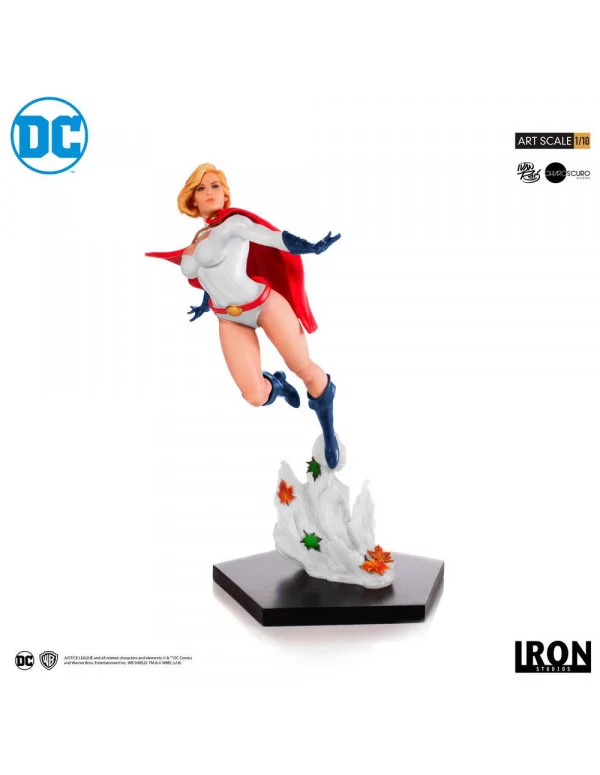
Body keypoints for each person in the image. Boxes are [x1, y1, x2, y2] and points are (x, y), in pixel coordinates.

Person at [146, 163, 341, 468]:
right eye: (201, 188)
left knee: (303, 367)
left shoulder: (234, 224)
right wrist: (205, 302)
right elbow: (209, 276)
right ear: (192, 199)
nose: (210, 192)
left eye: (216, 186)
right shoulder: (197, 242)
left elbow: (272, 238)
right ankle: (277, 385)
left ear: (225, 195)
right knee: (254, 395)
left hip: (264, 305)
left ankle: (328, 432)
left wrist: (310, 247)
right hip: (229, 318)